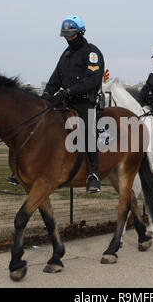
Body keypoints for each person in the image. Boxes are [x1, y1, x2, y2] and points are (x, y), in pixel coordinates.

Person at [8, 15, 105, 193]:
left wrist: (69, 91)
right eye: (66, 35)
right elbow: (55, 79)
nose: (68, 38)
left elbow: (93, 81)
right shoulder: (66, 54)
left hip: (84, 102)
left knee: (88, 132)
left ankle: (94, 175)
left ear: (80, 33)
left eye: (72, 35)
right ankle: (23, 169)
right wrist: (46, 94)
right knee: (39, 122)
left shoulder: (91, 53)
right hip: (65, 101)